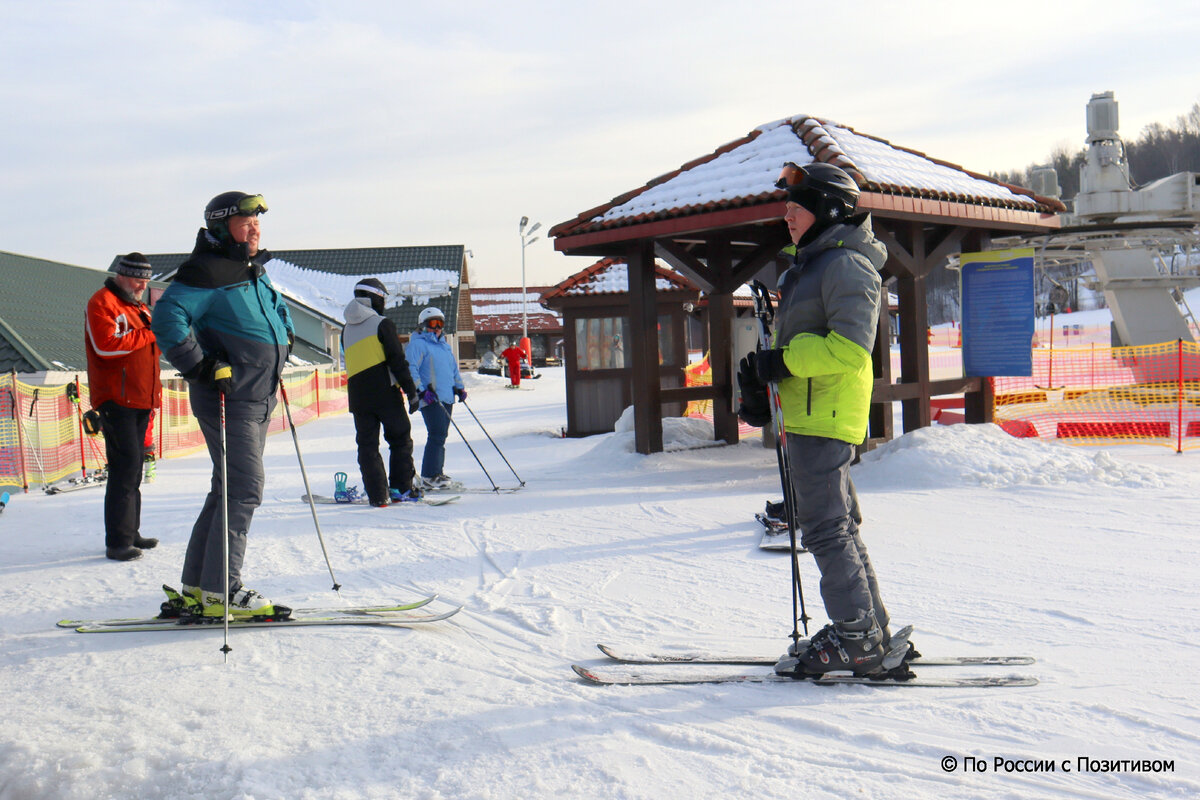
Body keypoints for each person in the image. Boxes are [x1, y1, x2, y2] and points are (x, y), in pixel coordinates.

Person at [737, 161, 897, 677]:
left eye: (795, 206)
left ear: (826, 209)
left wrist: (782, 362)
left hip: (825, 416)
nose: (786, 213)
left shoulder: (847, 265)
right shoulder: (810, 265)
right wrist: (764, 381)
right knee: (839, 526)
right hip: (811, 411)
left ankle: (858, 637)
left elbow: (850, 349)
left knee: (825, 529)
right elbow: (802, 345)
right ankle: (870, 629)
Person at [151, 191, 293, 618]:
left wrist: (280, 353)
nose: (255, 228)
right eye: (246, 221)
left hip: (256, 394)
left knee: (226, 489)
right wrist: (202, 365)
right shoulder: (207, 271)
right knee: (245, 488)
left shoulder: (250, 269)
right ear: (221, 225)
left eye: (257, 222)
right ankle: (222, 591)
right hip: (229, 398)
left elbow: (276, 315)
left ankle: (199, 588)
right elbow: (166, 317)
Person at [84, 253, 162, 562]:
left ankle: (131, 532)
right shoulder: (102, 303)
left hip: (141, 398)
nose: (143, 284)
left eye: (145, 279)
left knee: (135, 469)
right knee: (124, 469)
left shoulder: (138, 307)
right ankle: (117, 541)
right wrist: (150, 332)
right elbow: (106, 345)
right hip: (117, 400)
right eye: (137, 278)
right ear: (121, 276)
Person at [342, 278, 422, 506]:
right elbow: (397, 361)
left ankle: (378, 496)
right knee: (400, 439)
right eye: (383, 299)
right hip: (385, 393)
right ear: (374, 299)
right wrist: (411, 391)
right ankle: (400, 489)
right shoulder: (382, 323)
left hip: (358, 397)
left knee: (367, 446)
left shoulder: (345, 329)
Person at [405, 307, 466, 489]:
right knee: (437, 434)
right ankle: (429, 475)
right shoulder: (417, 345)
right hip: (431, 398)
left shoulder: (444, 346)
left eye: (440, 323)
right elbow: (411, 369)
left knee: (441, 435)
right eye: (433, 323)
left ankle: (436, 472)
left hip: (446, 397)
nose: (437, 327)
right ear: (423, 326)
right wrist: (421, 391)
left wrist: (459, 387)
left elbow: (452, 369)